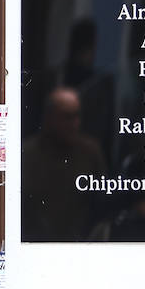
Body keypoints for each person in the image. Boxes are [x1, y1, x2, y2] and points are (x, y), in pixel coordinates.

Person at [22, 85, 107, 242]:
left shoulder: (89, 151)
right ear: (50, 117)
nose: (74, 124)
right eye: (67, 117)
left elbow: (101, 204)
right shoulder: (27, 154)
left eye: (76, 116)